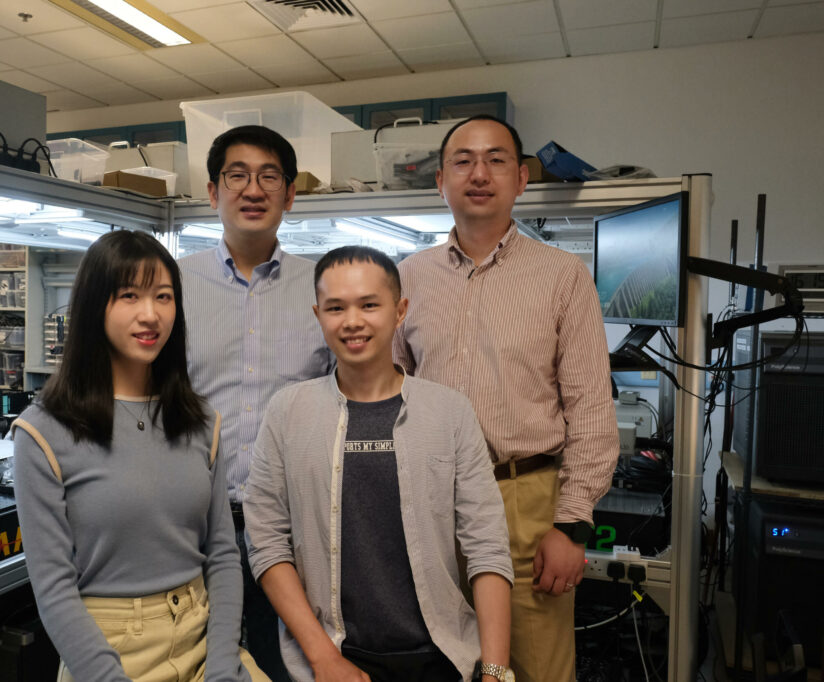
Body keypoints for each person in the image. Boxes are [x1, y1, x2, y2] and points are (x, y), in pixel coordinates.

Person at [393, 115, 619, 682]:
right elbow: (389, 395)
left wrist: (572, 526)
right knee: (436, 663)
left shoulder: (563, 276)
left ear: (520, 180)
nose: (479, 173)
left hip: (527, 502)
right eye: (463, 161)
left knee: (537, 669)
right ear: (440, 181)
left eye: (495, 160)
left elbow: (590, 406)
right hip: (429, 501)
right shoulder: (405, 279)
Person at [244, 245, 515, 682]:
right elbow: (266, 540)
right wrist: (323, 659)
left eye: (369, 305)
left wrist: (496, 672)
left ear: (399, 310)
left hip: (441, 658)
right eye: (335, 307)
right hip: (332, 658)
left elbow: (486, 547)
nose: (352, 321)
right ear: (318, 316)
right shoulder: (288, 411)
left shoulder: (449, 412)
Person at [12, 230, 266, 682]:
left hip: (205, 637)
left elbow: (224, 556)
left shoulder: (201, 421)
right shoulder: (44, 432)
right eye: (129, 295)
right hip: (108, 651)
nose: (150, 315)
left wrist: (225, 666)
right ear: (95, 306)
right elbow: (53, 588)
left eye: (163, 296)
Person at [179, 125, 333, 680]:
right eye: (237, 175)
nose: (253, 189)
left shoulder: (323, 290)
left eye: (269, 176)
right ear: (213, 191)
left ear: (290, 195)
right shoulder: (174, 284)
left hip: (292, 528)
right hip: (191, 523)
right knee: (193, 662)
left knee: (285, 663)